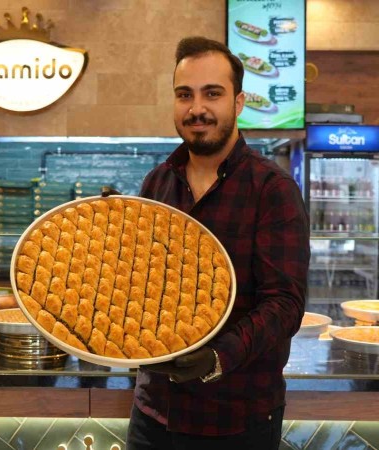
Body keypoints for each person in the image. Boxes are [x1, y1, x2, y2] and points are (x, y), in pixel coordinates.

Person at [126, 36, 310, 449]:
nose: (197, 109)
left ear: (238, 102)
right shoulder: (157, 183)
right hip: (154, 412)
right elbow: (141, 286)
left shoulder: (273, 189)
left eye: (212, 94)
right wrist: (108, 235)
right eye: (184, 95)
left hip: (237, 419)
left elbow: (285, 304)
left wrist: (216, 358)